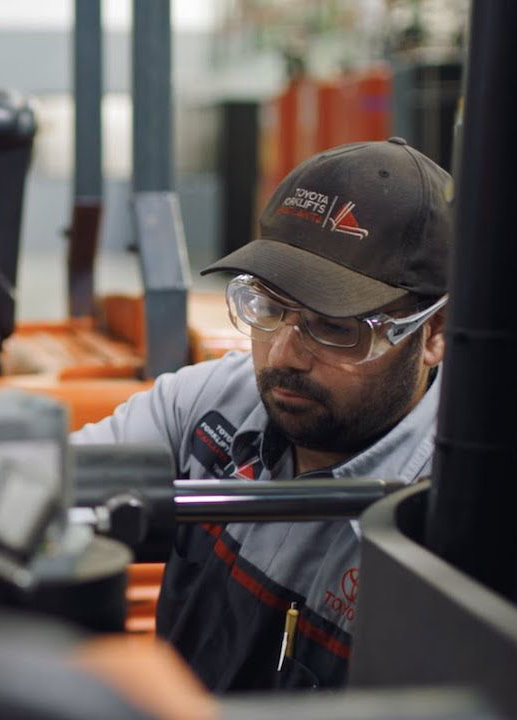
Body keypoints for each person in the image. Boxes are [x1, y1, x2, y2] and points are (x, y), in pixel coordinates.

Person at [71, 138, 452, 691]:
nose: (282, 356)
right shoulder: (213, 404)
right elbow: (46, 487)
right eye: (269, 307)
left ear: (433, 333)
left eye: (336, 327)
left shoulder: (449, 519)